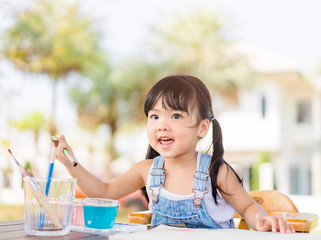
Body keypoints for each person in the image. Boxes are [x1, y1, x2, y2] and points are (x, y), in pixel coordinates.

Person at [55, 74, 295, 233]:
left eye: (176, 116)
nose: (162, 125)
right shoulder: (146, 170)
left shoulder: (215, 171)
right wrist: (71, 163)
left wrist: (262, 221)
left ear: (202, 128)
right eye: (155, 116)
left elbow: (248, 208)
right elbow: (104, 192)